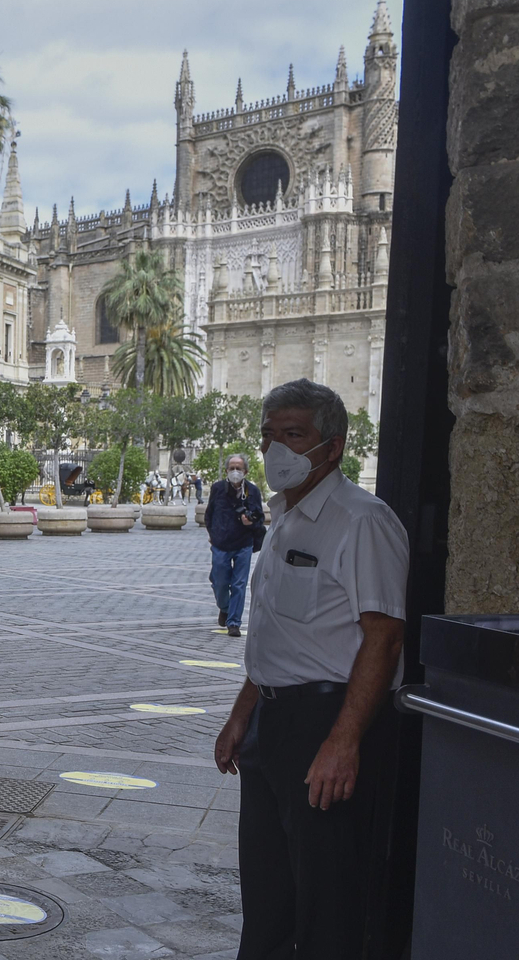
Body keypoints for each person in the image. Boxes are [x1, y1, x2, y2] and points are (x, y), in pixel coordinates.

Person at [212, 379, 409, 960]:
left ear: (333, 446)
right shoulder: (285, 520)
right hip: (273, 723)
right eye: (269, 436)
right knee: (269, 891)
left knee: (329, 898)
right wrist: (240, 717)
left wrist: (344, 740)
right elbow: (281, 635)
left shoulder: (361, 520)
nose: (277, 451)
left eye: (293, 435)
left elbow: (385, 636)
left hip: (329, 718)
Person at [208, 453, 263, 637]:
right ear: (226, 470)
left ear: (245, 471)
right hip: (221, 543)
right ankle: (224, 607)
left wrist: (251, 522)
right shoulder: (218, 489)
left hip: (243, 543)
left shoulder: (253, 491)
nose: (235, 471)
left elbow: (260, 518)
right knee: (220, 582)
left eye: (238, 468)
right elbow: (209, 515)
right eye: (232, 468)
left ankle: (234, 622)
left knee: (239, 584)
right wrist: (213, 534)